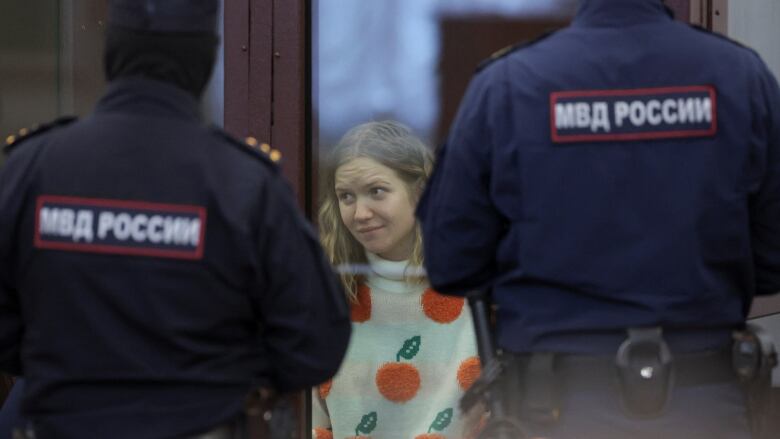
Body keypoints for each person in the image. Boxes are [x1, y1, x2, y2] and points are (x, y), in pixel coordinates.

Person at [417, 0, 780, 438]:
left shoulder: (509, 84)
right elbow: (773, 259)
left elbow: (451, 262)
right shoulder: (740, 75)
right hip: (701, 404)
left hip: (557, 411)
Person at [0, 1, 351, 438]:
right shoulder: (243, 183)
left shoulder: (32, 169)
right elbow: (315, 342)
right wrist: (223, 375)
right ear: (205, 59)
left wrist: (63, 368)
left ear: (112, 53)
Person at [312, 121, 483, 439]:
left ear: (420, 193)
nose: (360, 213)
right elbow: (312, 423)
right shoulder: (331, 297)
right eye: (346, 197)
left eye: (376, 191)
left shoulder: (473, 290)